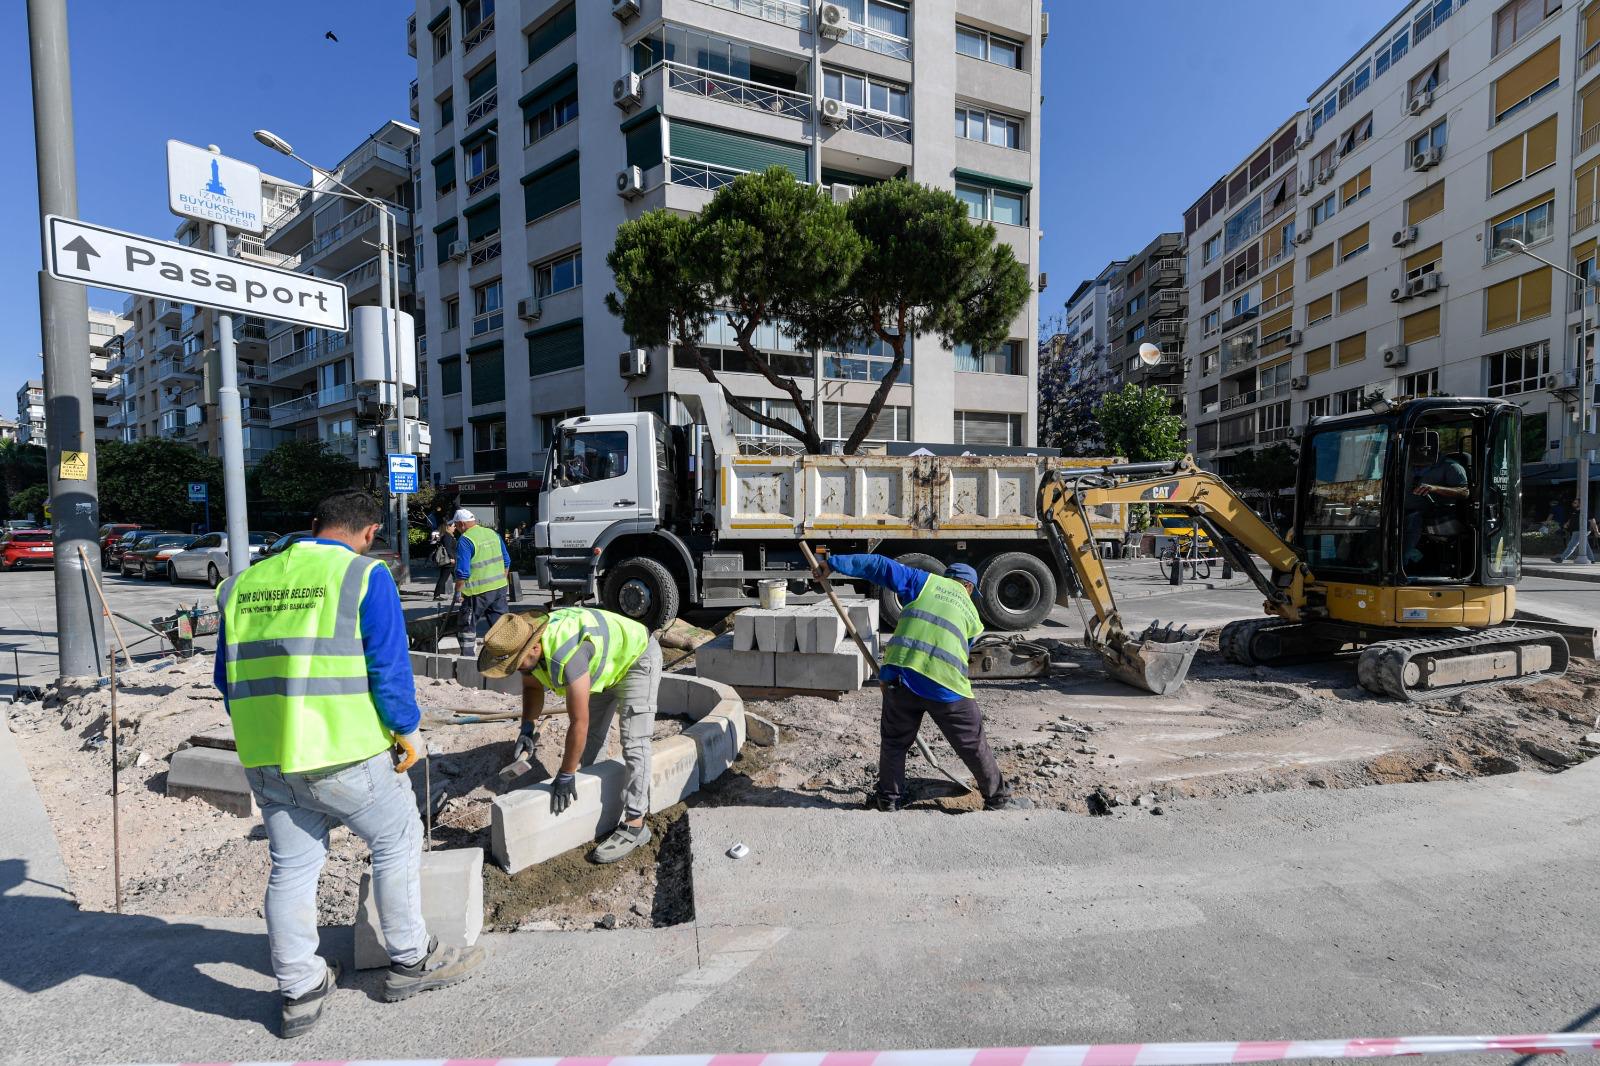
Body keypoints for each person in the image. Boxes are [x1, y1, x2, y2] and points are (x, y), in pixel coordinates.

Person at [213, 489, 485, 1039]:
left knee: (292, 867)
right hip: (341, 754)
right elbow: (389, 668)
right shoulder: (364, 576)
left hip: (266, 757)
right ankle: (411, 959)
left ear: (313, 524)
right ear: (367, 534)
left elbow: (226, 678)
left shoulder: (241, 584)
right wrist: (408, 733)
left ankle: (300, 988)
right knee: (398, 838)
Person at [810, 554, 1025, 813]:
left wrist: (832, 563)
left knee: (895, 742)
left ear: (947, 578)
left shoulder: (925, 582)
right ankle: (997, 799)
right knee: (972, 743)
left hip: (899, 678)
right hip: (945, 687)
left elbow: (879, 565)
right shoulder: (973, 617)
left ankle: (888, 800)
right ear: (969, 587)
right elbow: (961, 658)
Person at [478, 607, 662, 863]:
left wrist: (566, 773)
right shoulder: (530, 649)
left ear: (534, 649)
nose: (515, 670)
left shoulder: (566, 657)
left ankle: (635, 823)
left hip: (635, 657)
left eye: (515, 664)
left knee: (634, 741)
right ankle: (598, 797)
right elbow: (532, 688)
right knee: (594, 741)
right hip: (603, 665)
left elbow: (579, 722)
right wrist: (527, 728)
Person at [452, 508, 511, 656]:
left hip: (476, 592)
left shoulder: (465, 540)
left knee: (467, 625)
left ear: (461, 524)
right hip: (499, 588)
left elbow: (463, 572)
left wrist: (458, 591)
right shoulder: (492, 533)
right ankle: (505, 655)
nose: (457, 529)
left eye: (457, 526)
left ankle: (467, 658)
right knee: (500, 625)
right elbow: (507, 560)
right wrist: (502, 580)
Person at [1553, 498, 1596, 563]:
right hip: (1575, 530)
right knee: (1585, 545)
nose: (1573, 503)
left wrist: (1596, 531)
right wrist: (1567, 524)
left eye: (1575, 503)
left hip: (1582, 531)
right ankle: (1592, 559)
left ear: (1580, 504)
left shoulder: (1585, 511)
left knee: (1572, 544)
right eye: (1574, 502)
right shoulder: (1575, 511)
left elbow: (1592, 521)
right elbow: (1571, 519)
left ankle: (1561, 558)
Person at [431, 520, 457, 602]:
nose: (455, 528)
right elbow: (448, 548)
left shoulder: (448, 535)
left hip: (449, 561)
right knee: (444, 578)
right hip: (449, 561)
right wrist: (451, 558)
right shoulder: (447, 536)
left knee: (446, 577)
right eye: (453, 526)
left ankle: (437, 595)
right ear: (448, 527)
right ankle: (436, 595)